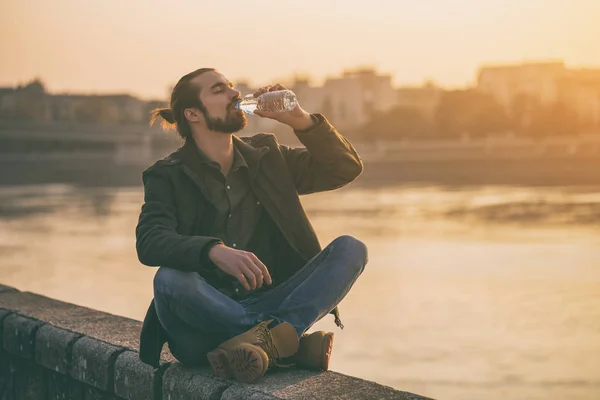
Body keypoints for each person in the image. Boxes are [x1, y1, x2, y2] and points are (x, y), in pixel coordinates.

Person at [136, 67, 368, 383]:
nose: (233, 93)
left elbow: (344, 167)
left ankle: (265, 343)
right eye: (219, 90)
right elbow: (150, 241)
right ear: (193, 113)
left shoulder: (267, 157)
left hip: (270, 297)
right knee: (169, 280)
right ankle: (283, 341)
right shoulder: (167, 175)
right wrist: (212, 251)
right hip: (201, 321)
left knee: (351, 249)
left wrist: (300, 119)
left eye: (231, 86)